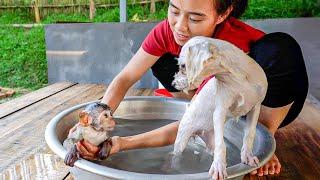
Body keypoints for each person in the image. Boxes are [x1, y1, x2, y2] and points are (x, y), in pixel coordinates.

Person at [73, 0, 308, 177]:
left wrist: (122, 143)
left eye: (195, 18)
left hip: (271, 99)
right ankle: (195, 103)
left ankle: (263, 136)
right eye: (174, 10)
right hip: (210, 96)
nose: (180, 27)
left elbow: (191, 122)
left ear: (223, 14)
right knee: (162, 60)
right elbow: (125, 78)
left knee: (281, 49)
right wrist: (97, 117)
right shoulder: (169, 31)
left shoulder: (227, 49)